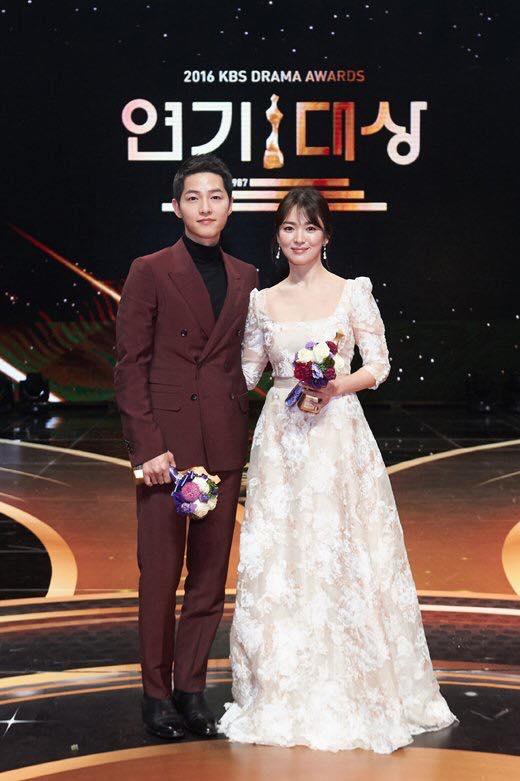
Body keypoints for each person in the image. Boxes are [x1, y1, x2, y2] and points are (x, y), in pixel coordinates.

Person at [218, 187, 458, 753]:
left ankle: (357, 683)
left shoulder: (353, 293)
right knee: (283, 556)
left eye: (309, 227)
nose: (298, 237)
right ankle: (282, 687)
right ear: (277, 237)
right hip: (281, 441)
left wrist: (334, 386)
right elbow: (248, 373)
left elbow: (380, 365)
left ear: (326, 234)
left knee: (342, 552)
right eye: (288, 228)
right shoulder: (262, 302)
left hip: (336, 438)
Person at [114, 153, 257, 740]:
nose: (205, 207)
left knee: (208, 579)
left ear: (230, 205)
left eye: (215, 196)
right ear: (177, 207)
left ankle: (191, 691)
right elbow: (130, 364)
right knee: (159, 575)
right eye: (193, 197)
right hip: (166, 454)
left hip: (222, 443)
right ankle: (155, 695)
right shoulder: (149, 270)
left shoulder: (246, 276)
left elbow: (246, 361)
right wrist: (146, 447)